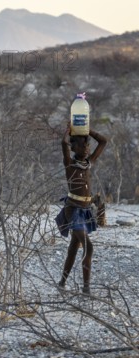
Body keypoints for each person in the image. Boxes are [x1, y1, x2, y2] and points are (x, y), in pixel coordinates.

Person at [56, 124, 107, 295]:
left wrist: (87, 130)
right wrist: (69, 130)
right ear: (73, 147)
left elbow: (103, 141)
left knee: (73, 247)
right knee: (89, 247)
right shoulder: (69, 164)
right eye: (81, 145)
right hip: (73, 210)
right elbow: (63, 144)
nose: (85, 148)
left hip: (85, 210)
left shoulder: (88, 163)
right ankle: (86, 288)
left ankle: (62, 282)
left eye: (87, 145)